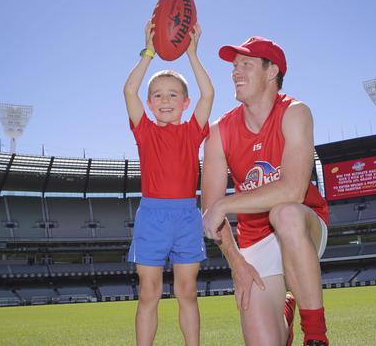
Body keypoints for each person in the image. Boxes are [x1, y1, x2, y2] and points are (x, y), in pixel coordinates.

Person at [201, 36, 329, 346]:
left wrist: (225, 205)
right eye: (234, 66)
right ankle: (284, 313)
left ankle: (315, 335)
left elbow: (294, 190)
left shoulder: (295, 112)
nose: (236, 72)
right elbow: (210, 212)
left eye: (246, 64)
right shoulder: (219, 131)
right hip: (254, 241)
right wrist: (237, 264)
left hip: (303, 226)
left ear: (272, 72)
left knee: (284, 213)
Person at [123, 21, 214, 346]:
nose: (165, 100)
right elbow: (128, 91)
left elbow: (209, 94)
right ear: (149, 103)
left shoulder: (192, 131)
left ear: (184, 103)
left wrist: (192, 54)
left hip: (186, 217)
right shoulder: (144, 131)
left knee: (186, 291)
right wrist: (148, 52)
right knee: (149, 292)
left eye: (173, 95)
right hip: (152, 216)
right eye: (157, 95)